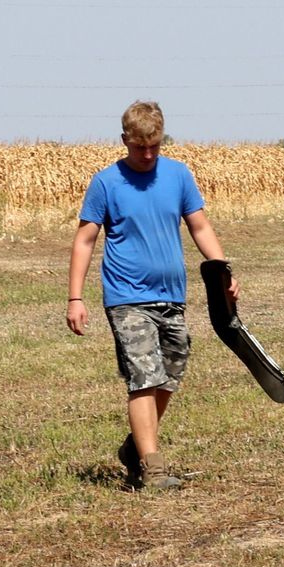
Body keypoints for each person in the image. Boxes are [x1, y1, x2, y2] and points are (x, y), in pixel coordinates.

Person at [66, 100, 239, 490]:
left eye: (154, 146)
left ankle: (134, 448)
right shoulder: (107, 182)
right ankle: (152, 467)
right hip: (126, 297)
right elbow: (84, 241)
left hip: (171, 295)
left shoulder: (178, 175)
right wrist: (75, 298)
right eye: (139, 146)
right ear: (125, 140)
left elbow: (200, 227)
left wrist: (222, 269)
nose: (146, 155)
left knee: (170, 372)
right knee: (143, 377)